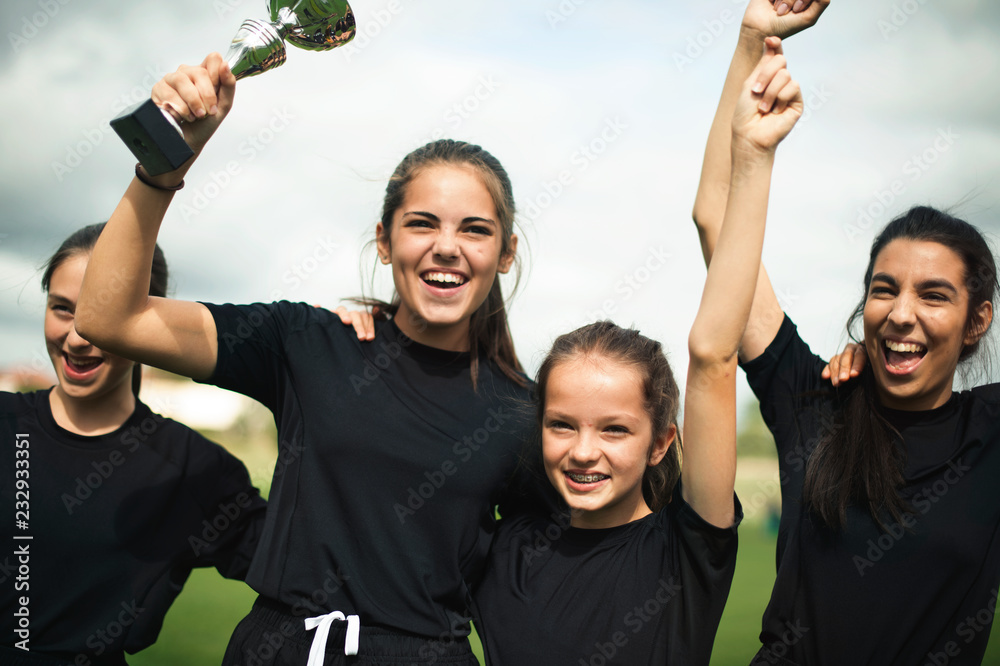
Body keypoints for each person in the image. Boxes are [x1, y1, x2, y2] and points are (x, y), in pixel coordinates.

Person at [75, 54, 537, 665]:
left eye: (475, 230)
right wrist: (162, 165)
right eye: (422, 223)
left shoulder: (525, 413)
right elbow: (110, 318)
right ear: (384, 239)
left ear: (505, 253)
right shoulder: (306, 342)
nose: (446, 248)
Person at [473, 35, 804, 665]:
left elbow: (713, 355)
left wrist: (753, 152)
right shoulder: (502, 544)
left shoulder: (686, 548)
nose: (583, 451)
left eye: (615, 430)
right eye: (561, 424)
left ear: (661, 442)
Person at [695, 3, 1000, 665]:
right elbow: (717, 218)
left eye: (934, 295)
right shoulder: (814, 403)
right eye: (884, 289)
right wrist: (754, 41)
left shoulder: (991, 433)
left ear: (979, 318)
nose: (900, 312)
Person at [0, 222, 268, 665]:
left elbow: (308, 564)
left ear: (144, 324)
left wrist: (323, 352)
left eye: (100, 316)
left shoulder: (189, 467)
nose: (77, 338)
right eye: (63, 309)